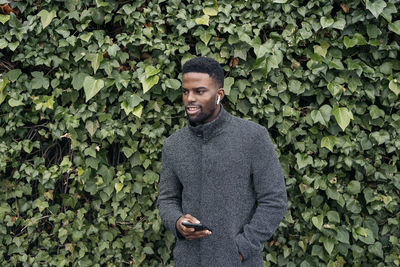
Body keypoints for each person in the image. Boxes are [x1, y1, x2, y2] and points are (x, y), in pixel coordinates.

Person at [157, 57, 287, 267]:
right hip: (189, 260)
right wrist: (177, 222)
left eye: (199, 91)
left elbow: (275, 200)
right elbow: (167, 199)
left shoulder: (253, 137)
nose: (189, 98)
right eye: (185, 91)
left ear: (219, 95)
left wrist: (243, 247)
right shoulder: (173, 145)